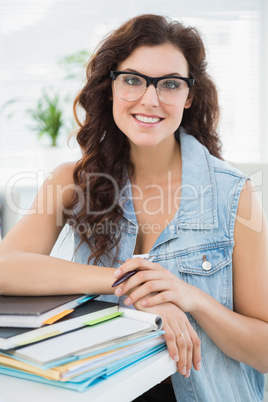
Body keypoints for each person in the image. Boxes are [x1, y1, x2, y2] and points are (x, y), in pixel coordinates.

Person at [0, 14, 267, 401]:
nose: (150, 99)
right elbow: (5, 268)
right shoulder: (73, 182)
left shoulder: (233, 193)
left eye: (170, 84)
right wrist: (129, 283)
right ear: (111, 88)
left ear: (189, 96)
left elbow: (263, 351)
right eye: (132, 80)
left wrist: (191, 299)